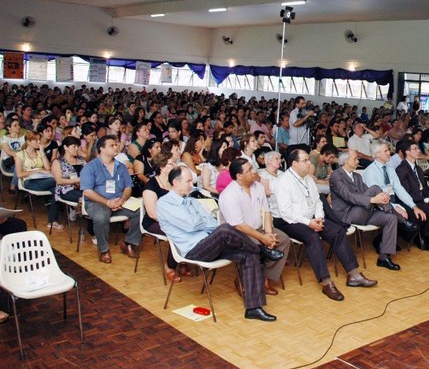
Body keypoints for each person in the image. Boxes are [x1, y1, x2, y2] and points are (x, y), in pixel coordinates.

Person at [157, 166, 281, 321]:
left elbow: (210, 221)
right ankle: (261, 249)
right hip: (193, 250)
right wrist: (200, 222)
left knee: (248, 254)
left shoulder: (191, 201)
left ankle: (253, 308)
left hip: (210, 243)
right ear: (175, 182)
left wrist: (199, 222)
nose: (191, 184)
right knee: (225, 228)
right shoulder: (164, 203)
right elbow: (190, 225)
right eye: (188, 181)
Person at [275, 149, 377, 301]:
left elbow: (317, 201)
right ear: (294, 164)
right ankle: (326, 282)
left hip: (313, 218)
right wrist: (309, 223)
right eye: (305, 161)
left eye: (309, 159)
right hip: (290, 221)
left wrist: (320, 218)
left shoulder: (308, 179)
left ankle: (354, 275)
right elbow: (286, 212)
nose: (309, 163)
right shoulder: (283, 181)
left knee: (338, 231)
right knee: (313, 237)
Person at [219, 157, 290, 296]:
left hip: (260, 228)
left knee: (283, 240)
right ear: (239, 176)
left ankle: (265, 279)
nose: (254, 171)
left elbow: (267, 211)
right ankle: (242, 280)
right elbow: (238, 226)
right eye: (250, 169)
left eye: (252, 167)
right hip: (238, 233)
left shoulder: (258, 187)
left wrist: (269, 233)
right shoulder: (229, 194)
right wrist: (263, 238)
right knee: (256, 246)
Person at [329, 149, 405, 270]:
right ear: (346, 160)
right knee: (375, 188)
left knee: (390, 218)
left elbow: (366, 193)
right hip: (347, 214)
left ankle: (384, 258)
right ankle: (401, 219)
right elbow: (348, 196)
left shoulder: (357, 176)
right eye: (355, 158)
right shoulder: (336, 176)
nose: (358, 160)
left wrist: (379, 198)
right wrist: (373, 200)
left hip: (363, 211)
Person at [80, 134, 141, 263]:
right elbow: (88, 192)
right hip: (97, 202)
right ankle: (104, 250)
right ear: (101, 149)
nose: (116, 147)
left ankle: (129, 243)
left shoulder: (121, 166)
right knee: (101, 217)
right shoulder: (90, 167)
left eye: (116, 144)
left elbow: (128, 187)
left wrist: (122, 199)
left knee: (141, 210)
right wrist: (107, 202)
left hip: (119, 201)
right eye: (112, 145)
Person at [362, 140, 423, 245]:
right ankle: (380, 241)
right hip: (378, 205)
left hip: (392, 201)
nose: (389, 153)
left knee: (415, 214)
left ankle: (387, 239)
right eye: (385, 151)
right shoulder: (370, 171)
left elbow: (399, 189)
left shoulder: (390, 169)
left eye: (388, 150)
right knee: (400, 217)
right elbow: (377, 197)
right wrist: (395, 207)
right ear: (377, 154)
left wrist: (413, 206)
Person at [142, 152, 186, 282]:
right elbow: (152, 213)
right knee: (177, 231)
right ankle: (170, 266)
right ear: (162, 167)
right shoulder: (151, 185)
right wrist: (173, 222)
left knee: (190, 228)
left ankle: (182, 261)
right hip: (153, 221)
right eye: (172, 163)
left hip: (173, 219)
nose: (175, 165)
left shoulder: (175, 184)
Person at [15, 131, 60, 229]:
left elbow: (48, 168)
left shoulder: (39, 152)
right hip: (29, 182)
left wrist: (42, 152)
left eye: (39, 140)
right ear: (28, 142)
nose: (39, 142)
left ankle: (52, 221)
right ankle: (63, 181)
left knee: (57, 190)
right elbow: (19, 174)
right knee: (57, 180)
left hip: (44, 180)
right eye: (36, 140)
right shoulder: (20, 155)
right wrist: (37, 170)